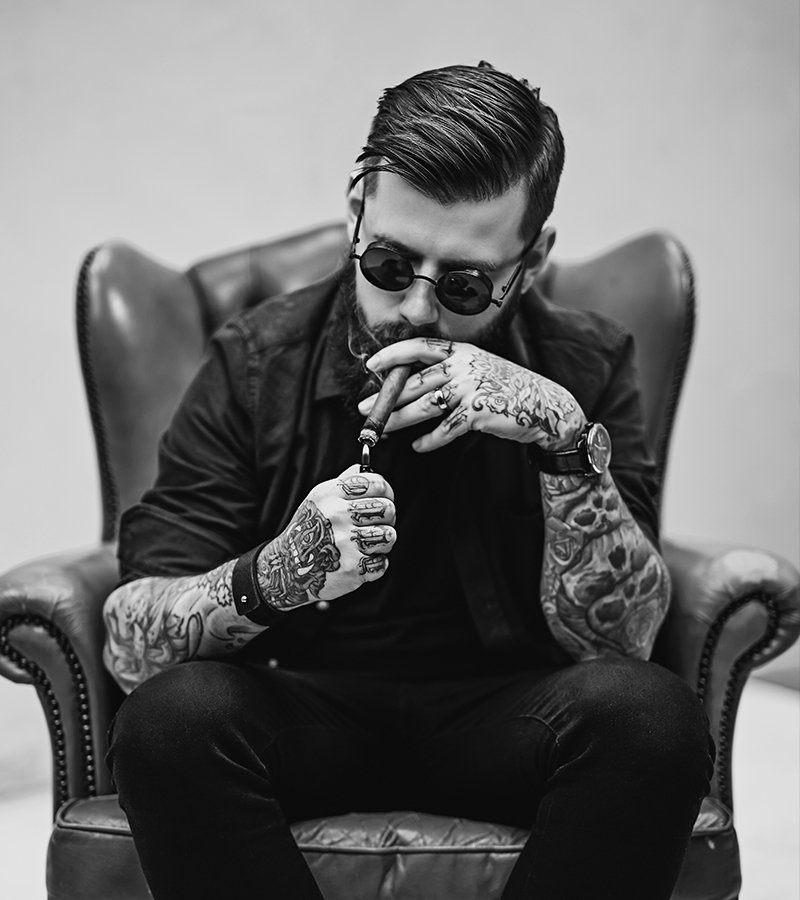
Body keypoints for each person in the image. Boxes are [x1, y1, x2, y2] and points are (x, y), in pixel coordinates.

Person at [102, 62, 713, 900]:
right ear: (357, 213)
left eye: (464, 285)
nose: (419, 311)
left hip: (512, 716)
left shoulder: (584, 364)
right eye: (389, 263)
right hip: (303, 711)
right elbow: (130, 644)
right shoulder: (256, 362)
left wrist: (563, 437)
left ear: (531, 262)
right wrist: (271, 576)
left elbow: (625, 643)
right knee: (168, 721)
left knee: (653, 718)